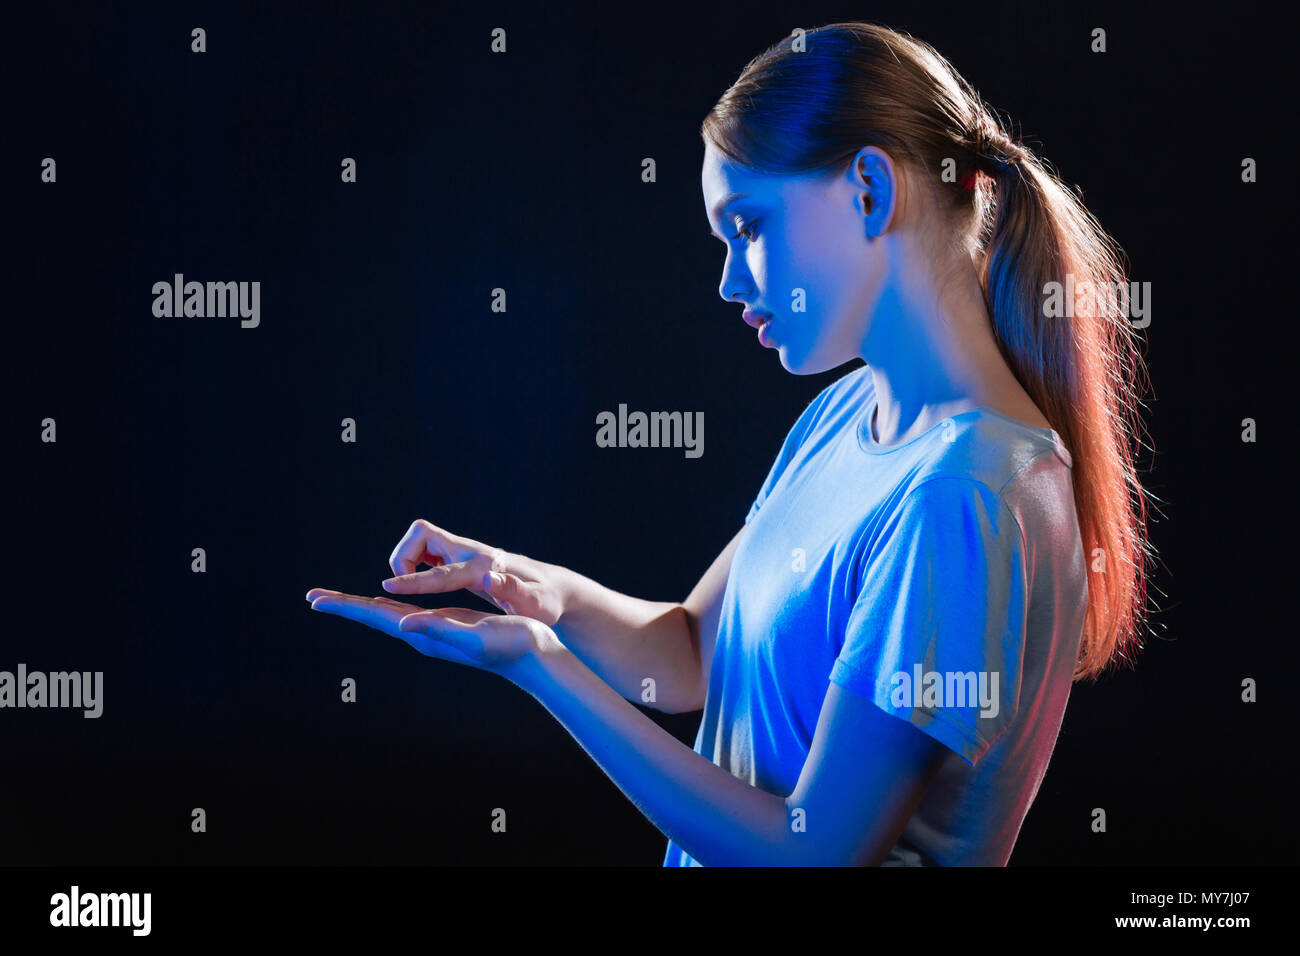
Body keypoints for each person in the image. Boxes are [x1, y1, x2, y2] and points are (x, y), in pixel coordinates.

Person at [306, 21, 1154, 866]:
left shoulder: (964, 496)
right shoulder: (841, 416)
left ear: (868, 189)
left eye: (748, 227)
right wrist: (527, 593)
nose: (728, 280)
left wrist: (540, 668)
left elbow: (815, 855)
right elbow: (689, 657)